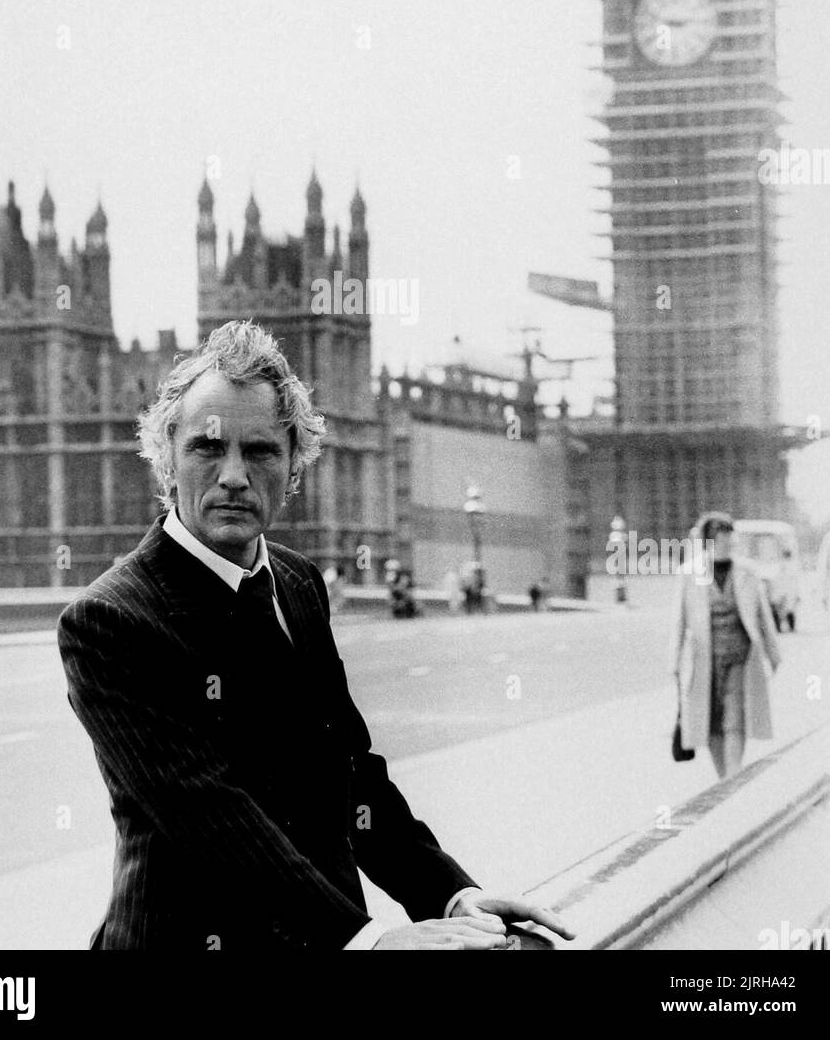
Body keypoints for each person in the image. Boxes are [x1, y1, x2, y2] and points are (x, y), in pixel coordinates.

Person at [58, 321, 573, 952]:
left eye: (261, 451)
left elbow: (352, 776)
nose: (234, 476)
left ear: (295, 464)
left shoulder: (298, 583)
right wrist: (365, 942)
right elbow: (212, 815)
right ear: (167, 458)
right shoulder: (110, 621)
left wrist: (448, 893)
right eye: (207, 449)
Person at [668, 511, 782, 781]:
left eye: (728, 539)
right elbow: (678, 621)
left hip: (740, 658)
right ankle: (725, 778)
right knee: (711, 721)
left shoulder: (747, 573)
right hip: (703, 661)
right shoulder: (689, 574)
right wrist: (673, 663)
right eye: (720, 540)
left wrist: (774, 655)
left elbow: (764, 618)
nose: (726, 545)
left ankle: (732, 775)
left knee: (735, 718)